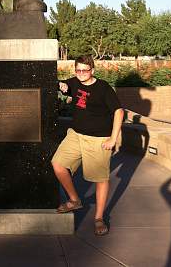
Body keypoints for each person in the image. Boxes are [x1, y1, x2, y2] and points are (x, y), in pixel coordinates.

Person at [51, 55, 124, 236]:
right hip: (76, 135)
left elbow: (119, 112)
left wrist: (113, 139)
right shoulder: (74, 82)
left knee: (100, 179)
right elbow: (64, 85)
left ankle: (98, 218)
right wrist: (62, 85)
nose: (81, 74)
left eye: (85, 70)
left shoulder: (103, 88)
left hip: (98, 139)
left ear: (92, 70)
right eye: (78, 70)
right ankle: (75, 200)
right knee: (58, 164)